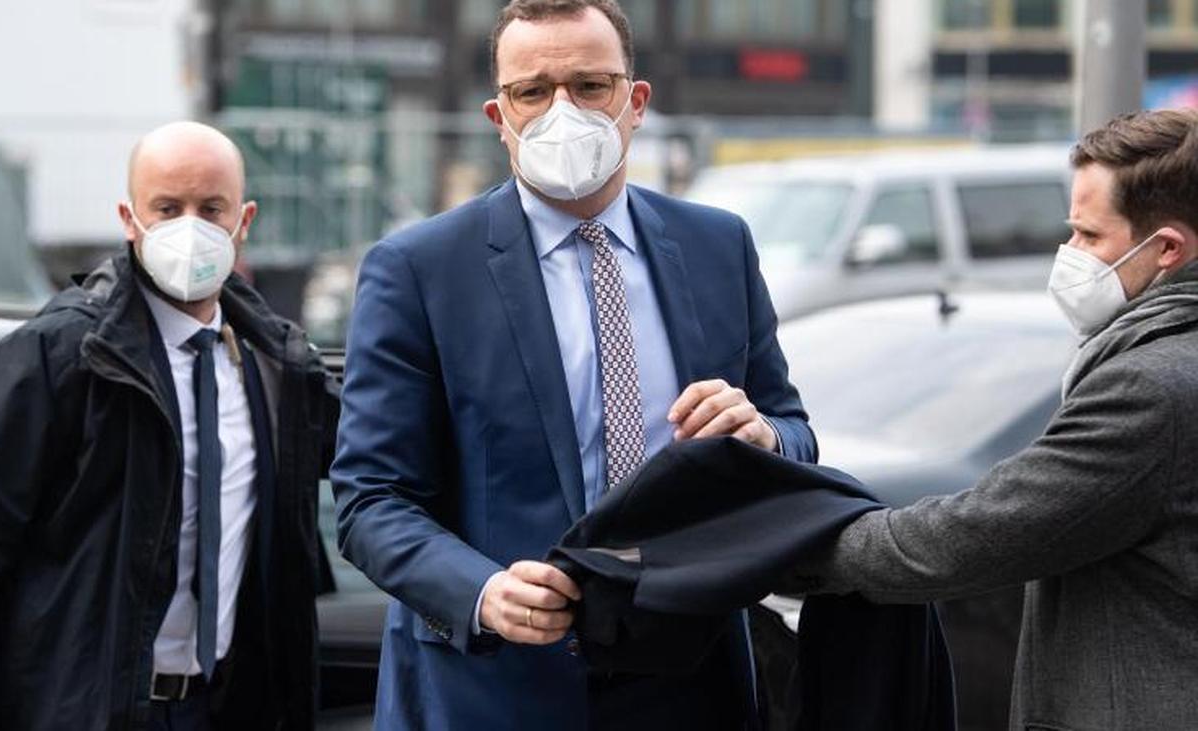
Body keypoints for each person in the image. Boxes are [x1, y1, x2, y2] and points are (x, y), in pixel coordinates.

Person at [330, 1, 815, 729]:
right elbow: (371, 498)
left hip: (690, 680)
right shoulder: (420, 269)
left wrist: (764, 437)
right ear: (499, 117)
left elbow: (795, 433)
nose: (564, 111)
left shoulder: (718, 246)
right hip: (495, 688)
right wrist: (481, 591)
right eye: (533, 91)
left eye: (590, 86)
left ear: (636, 102)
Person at [0, 121, 334, 731]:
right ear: (130, 220)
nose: (190, 228)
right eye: (168, 208)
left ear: (244, 221)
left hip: (223, 707)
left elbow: (383, 461)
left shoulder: (277, 368)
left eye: (211, 208)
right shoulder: (61, 356)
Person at [789, 108, 1198, 729]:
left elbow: (985, 532)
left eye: (1089, 237)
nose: (1069, 255)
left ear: (1166, 248)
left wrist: (800, 545)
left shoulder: (1149, 389)